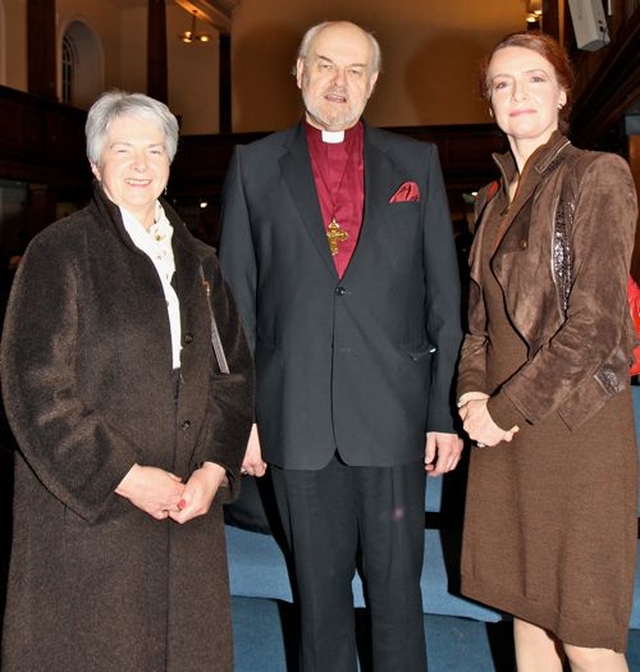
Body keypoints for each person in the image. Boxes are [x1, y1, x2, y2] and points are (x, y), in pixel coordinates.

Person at [218, 20, 463, 672]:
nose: (338, 83)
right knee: (318, 605)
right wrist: (241, 419)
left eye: (355, 71)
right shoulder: (251, 167)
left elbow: (445, 303)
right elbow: (234, 308)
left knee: (396, 601)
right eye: (325, 65)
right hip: (291, 421)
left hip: (393, 420)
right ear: (299, 71)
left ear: (374, 82)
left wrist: (442, 413)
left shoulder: (417, 166)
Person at [0, 91, 254, 671]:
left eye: (154, 149)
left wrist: (215, 469)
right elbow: (36, 390)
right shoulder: (59, 252)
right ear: (96, 164)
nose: (140, 164)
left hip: (187, 508)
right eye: (122, 150)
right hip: (91, 515)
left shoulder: (200, 262)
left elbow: (233, 374)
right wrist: (126, 476)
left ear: (169, 162)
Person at [457, 31, 638, 672]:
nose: (519, 93)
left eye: (535, 79)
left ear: (563, 92)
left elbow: (596, 325)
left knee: (586, 632)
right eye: (502, 84)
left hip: (573, 428)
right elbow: (476, 326)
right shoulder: (487, 202)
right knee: (527, 611)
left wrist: (504, 409)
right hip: (505, 431)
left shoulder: (597, 175)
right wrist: (472, 394)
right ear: (490, 104)